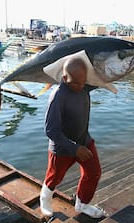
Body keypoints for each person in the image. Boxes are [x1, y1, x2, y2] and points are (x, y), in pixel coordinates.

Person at [40, 57, 105, 219]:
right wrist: (74, 149)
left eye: (83, 82)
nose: (80, 86)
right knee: (54, 178)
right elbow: (50, 130)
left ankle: (82, 203)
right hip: (62, 148)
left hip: (84, 141)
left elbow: (105, 76)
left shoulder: (83, 87)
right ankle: (45, 198)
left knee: (94, 172)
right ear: (64, 78)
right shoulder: (58, 96)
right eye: (75, 83)